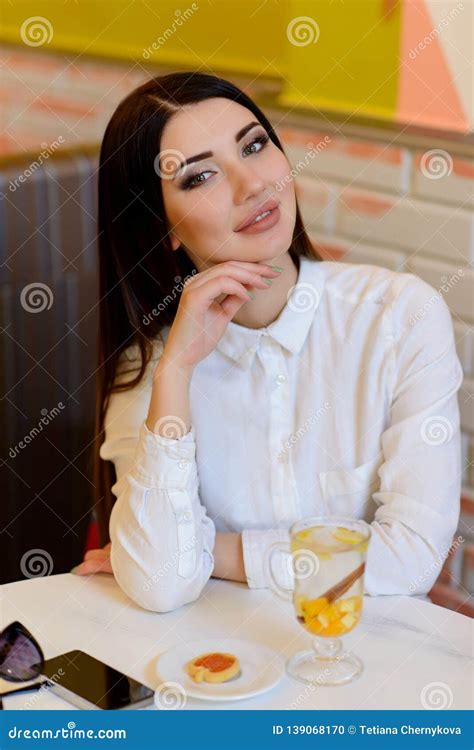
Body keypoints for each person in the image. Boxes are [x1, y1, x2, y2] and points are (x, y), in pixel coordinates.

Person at [73, 71, 463, 613]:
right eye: (200, 177)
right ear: (164, 229)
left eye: (254, 146)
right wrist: (177, 372)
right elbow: (161, 583)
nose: (252, 184)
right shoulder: (154, 367)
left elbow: (415, 557)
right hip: (217, 675)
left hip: (360, 666)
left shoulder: (400, 317)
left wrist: (208, 552)